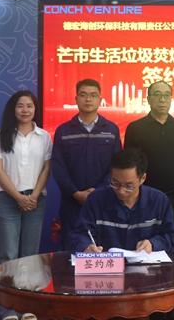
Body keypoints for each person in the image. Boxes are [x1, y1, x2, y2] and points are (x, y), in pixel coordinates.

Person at [0, 90, 52, 320]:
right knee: (9, 257)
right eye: (20, 106)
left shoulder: (44, 136)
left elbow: (47, 168)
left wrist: (33, 196)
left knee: (30, 256)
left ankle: (27, 308)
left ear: (35, 109)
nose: (25, 110)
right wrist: (18, 197)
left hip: (35, 200)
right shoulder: (1, 135)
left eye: (29, 106)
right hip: (7, 199)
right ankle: (8, 310)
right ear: (13, 109)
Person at [124, 81, 174, 255]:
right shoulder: (135, 128)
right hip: (145, 198)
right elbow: (129, 167)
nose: (162, 99)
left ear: (171, 99)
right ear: (148, 99)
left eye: (166, 95)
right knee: (144, 249)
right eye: (157, 95)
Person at [52, 79, 121, 250]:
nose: (88, 99)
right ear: (76, 99)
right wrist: (76, 193)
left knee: (104, 248)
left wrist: (98, 191)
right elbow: (59, 168)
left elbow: (116, 166)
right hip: (72, 203)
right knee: (72, 248)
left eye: (93, 95)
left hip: (104, 200)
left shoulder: (111, 129)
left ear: (100, 100)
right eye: (83, 95)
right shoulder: (63, 131)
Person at [69, 149, 174, 255]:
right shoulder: (96, 199)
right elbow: (80, 234)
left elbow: (172, 236)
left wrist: (153, 244)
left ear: (143, 178)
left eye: (128, 186)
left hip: (144, 265)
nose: (121, 191)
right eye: (115, 183)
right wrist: (86, 246)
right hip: (107, 265)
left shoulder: (159, 201)